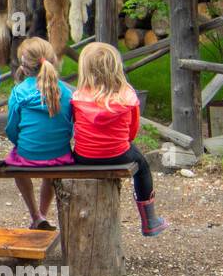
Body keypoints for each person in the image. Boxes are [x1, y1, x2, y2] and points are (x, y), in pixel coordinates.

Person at [71, 42, 168, 237]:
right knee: (142, 168)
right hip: (119, 154)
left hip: (83, 155)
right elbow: (132, 132)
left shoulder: (78, 96)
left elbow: (74, 127)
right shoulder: (128, 95)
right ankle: (149, 221)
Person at [5, 38, 74, 230]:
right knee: (49, 172)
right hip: (60, 155)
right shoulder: (66, 92)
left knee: (15, 166)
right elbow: (69, 124)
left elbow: (11, 128)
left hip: (28, 155)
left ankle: (35, 214)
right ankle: (42, 213)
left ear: (24, 68)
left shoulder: (19, 92)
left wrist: (21, 143)